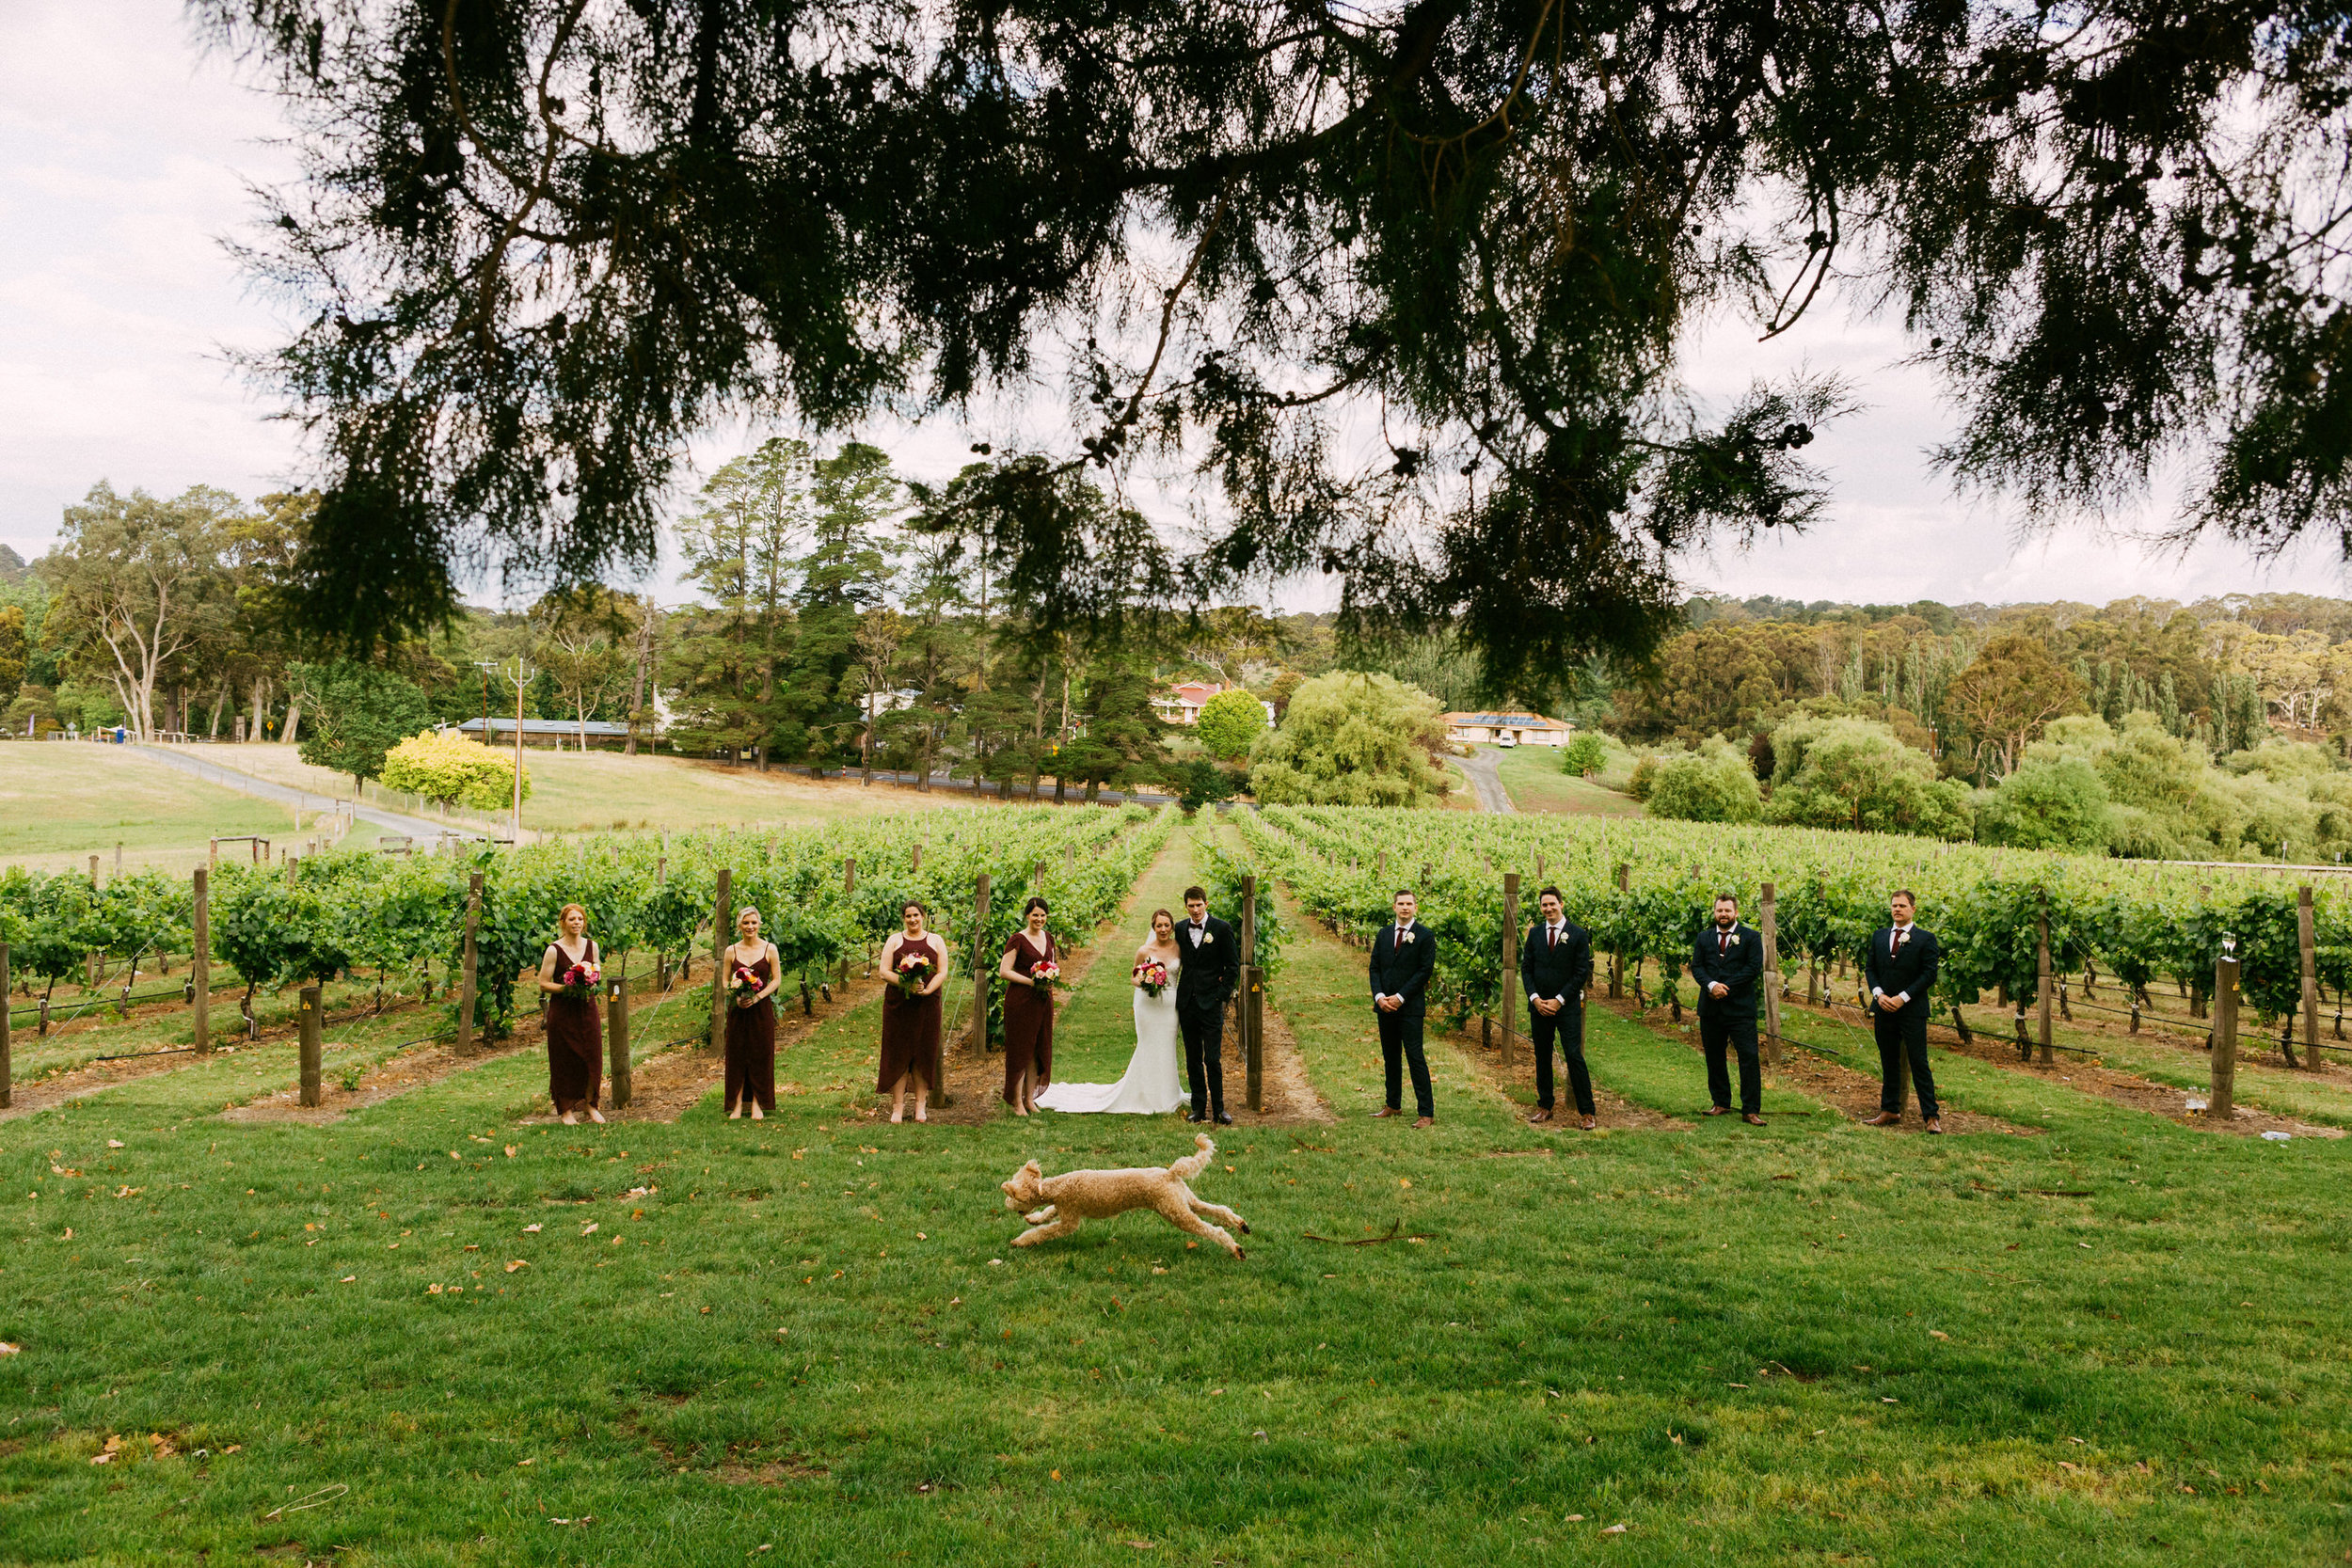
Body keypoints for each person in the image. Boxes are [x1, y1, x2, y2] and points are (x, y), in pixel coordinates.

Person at [1036, 909, 1188, 1115]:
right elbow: (1133, 976)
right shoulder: (1144, 950)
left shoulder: (1179, 948)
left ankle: (1167, 1093)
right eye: (1159, 925)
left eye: (1166, 925)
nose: (1163, 929)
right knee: (1148, 1045)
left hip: (1170, 1004)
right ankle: (1143, 1093)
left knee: (1166, 1045)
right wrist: (1145, 981)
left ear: (1172, 926)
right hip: (1148, 1005)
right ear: (1153, 927)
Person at [1865, 889, 1943, 1133]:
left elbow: (1929, 973)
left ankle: (1931, 1116)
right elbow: (1870, 969)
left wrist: (1903, 998)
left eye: (1902, 906)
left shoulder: (1925, 939)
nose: (1897, 909)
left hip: (1912, 1010)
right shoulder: (1879, 937)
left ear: (1913, 909)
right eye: (1894, 905)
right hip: (1884, 1008)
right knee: (1888, 1061)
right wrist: (1879, 994)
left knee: (1919, 1062)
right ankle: (1890, 1109)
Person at [1522, 886, 1596, 1129]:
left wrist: (1559, 1000)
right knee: (1542, 1056)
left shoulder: (1578, 935)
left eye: (1552, 904)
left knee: (1574, 1056)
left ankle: (1587, 1112)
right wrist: (1534, 998)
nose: (1548, 908)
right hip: (1539, 1006)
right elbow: (1526, 969)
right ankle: (1545, 1106)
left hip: (1566, 1008)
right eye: (1544, 905)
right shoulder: (1533, 934)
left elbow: (1580, 973)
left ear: (1561, 905)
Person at [1690, 893, 1765, 1125]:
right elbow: (1697, 967)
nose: (1723, 914)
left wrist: (1726, 986)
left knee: (1749, 1057)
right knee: (1714, 1057)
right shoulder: (1703, 938)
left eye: (1727, 911)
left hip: (1740, 1009)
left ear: (1736, 913)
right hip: (1711, 1009)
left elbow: (1753, 968)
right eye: (1720, 910)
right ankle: (1720, 1102)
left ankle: (1750, 1109)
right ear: (1715, 912)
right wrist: (1711, 986)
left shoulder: (1751, 937)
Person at [1369, 889, 1437, 1126]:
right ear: (1394, 907)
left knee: (1415, 1056)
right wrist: (1379, 997)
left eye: (1409, 903)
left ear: (1415, 907)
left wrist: (1400, 996)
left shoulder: (1425, 936)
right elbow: (1374, 967)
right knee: (1390, 1056)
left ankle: (1426, 1112)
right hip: (1384, 1006)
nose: (1405, 907)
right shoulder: (1384, 934)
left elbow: (1424, 971)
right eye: (1401, 903)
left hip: (1410, 1007)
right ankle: (1393, 1104)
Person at [1173, 885, 1240, 1125]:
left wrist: (1220, 996)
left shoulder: (1221, 929)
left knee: (1212, 1058)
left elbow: (1232, 966)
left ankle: (1219, 1109)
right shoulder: (1180, 928)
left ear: (1206, 904)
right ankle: (1198, 1108)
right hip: (1187, 1003)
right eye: (1191, 906)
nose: (1195, 910)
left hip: (1210, 1003)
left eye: (1199, 905)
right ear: (1186, 907)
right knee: (1193, 1058)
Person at [535, 903, 605, 1125]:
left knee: (592, 1057)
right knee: (564, 1059)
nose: (577, 923)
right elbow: (543, 983)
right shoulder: (554, 950)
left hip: (587, 1009)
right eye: (572, 919)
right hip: (563, 1013)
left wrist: (590, 981)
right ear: (563, 923)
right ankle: (565, 1109)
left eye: (580, 919)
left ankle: (590, 1105)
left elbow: (597, 972)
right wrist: (568, 988)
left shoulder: (592, 946)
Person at [878, 899, 946, 1123]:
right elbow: (884, 971)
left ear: (923, 916)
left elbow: (942, 972)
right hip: (899, 1006)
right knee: (898, 1054)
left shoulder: (936, 940)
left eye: (916, 915)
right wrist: (906, 984)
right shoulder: (894, 940)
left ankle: (920, 1106)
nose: (912, 920)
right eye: (908, 916)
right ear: (903, 918)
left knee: (923, 1054)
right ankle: (897, 1107)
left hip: (927, 1005)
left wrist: (927, 990)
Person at [999, 896, 1058, 1115]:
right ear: (1027, 915)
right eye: (1035, 915)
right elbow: (1004, 970)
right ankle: (1016, 1101)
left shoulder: (1049, 938)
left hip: (1043, 1001)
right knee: (1020, 1050)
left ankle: (1030, 1098)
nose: (1039, 919)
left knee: (1037, 1049)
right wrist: (1031, 981)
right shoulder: (1017, 939)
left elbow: (1053, 964)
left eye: (1043, 915)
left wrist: (1050, 978)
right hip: (1021, 1000)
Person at [722, 905, 781, 1120]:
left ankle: (757, 1103)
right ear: (739, 925)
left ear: (759, 925)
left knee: (760, 1054)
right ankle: (736, 1104)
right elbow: (724, 979)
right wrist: (735, 994)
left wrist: (758, 997)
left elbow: (776, 979)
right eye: (746, 923)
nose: (750, 927)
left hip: (761, 1010)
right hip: (738, 1011)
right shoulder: (731, 951)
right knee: (736, 1055)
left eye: (754, 923)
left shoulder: (769, 949)